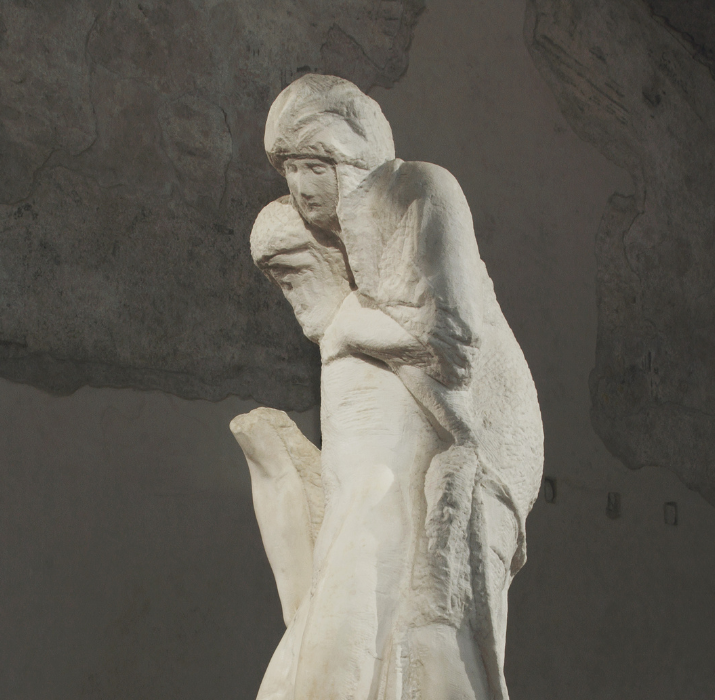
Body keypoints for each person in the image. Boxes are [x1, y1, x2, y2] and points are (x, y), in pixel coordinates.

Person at [232, 74, 544, 700]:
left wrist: (347, 330)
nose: (300, 186)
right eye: (290, 169)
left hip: (486, 436)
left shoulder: (420, 191)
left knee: (438, 614)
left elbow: (453, 345)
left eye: (314, 165)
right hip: (423, 440)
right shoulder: (348, 253)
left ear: (349, 156)